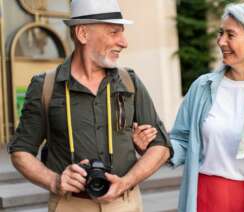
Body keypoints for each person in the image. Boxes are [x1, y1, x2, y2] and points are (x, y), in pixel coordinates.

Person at [133, 3, 244, 212]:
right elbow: (182, 140)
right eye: (221, 33)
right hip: (205, 196)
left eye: (230, 35)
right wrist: (153, 148)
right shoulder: (202, 87)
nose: (221, 41)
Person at [8, 0, 172, 211]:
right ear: (83, 34)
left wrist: (126, 181)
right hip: (70, 205)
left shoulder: (130, 81)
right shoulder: (45, 86)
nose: (124, 42)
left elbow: (162, 147)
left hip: (125, 204)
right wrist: (54, 181)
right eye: (114, 32)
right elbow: (20, 151)